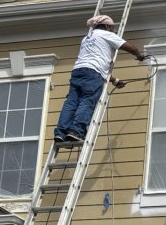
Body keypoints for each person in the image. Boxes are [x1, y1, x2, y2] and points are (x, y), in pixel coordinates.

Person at [54, 13, 146, 143]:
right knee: (87, 100)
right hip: (92, 73)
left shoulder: (86, 38)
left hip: (78, 71)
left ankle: (60, 133)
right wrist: (139, 55)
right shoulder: (106, 34)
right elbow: (129, 47)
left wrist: (115, 81)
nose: (113, 30)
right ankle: (76, 131)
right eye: (112, 28)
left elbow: (95, 64)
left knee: (71, 103)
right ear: (107, 26)